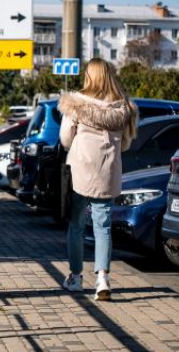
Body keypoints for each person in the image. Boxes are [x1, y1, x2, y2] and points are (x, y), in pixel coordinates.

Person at [58, 59, 138, 300]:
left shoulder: (76, 104)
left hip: (80, 170)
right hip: (108, 171)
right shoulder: (122, 107)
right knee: (103, 226)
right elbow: (125, 143)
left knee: (76, 225)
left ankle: (75, 277)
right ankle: (102, 278)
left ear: (89, 76)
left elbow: (65, 139)